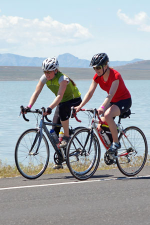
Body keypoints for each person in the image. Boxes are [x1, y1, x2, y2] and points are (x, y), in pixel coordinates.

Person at [24, 57, 82, 169]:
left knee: (63, 108)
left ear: (55, 70)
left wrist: (50, 108)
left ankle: (66, 136)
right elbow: (36, 93)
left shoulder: (63, 79)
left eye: (49, 72)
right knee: (54, 132)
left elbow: (60, 96)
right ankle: (61, 157)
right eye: (45, 72)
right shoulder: (44, 78)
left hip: (74, 100)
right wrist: (28, 106)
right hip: (61, 101)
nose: (47, 74)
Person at [75, 53, 132, 156]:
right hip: (113, 101)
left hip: (124, 100)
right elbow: (90, 93)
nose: (96, 70)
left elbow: (110, 95)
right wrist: (80, 106)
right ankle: (111, 152)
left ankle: (116, 143)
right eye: (94, 68)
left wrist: (102, 107)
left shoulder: (115, 75)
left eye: (98, 67)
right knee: (100, 126)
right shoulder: (97, 76)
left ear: (105, 65)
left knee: (107, 114)